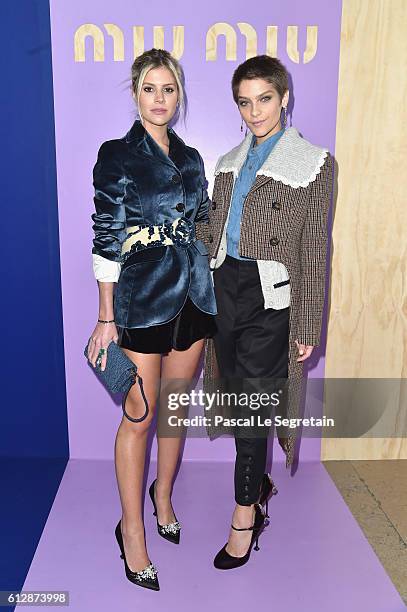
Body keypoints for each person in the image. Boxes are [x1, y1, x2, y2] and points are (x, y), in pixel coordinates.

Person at [86, 48, 217, 590]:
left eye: (168, 89)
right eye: (149, 89)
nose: (160, 99)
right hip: (142, 299)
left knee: (176, 409)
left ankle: (163, 495)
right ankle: (132, 531)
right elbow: (106, 235)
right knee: (140, 416)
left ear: (178, 94)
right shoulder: (117, 154)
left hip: (195, 298)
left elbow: (206, 218)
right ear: (136, 94)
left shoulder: (190, 159)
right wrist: (105, 317)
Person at [201, 55, 334, 569]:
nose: (254, 112)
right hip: (223, 289)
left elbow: (314, 248)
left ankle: (243, 518)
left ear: (284, 97)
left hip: (270, 295)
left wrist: (305, 321)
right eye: (244, 102)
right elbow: (214, 229)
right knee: (239, 399)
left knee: (255, 404)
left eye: (264, 99)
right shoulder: (228, 162)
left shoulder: (315, 163)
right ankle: (258, 484)